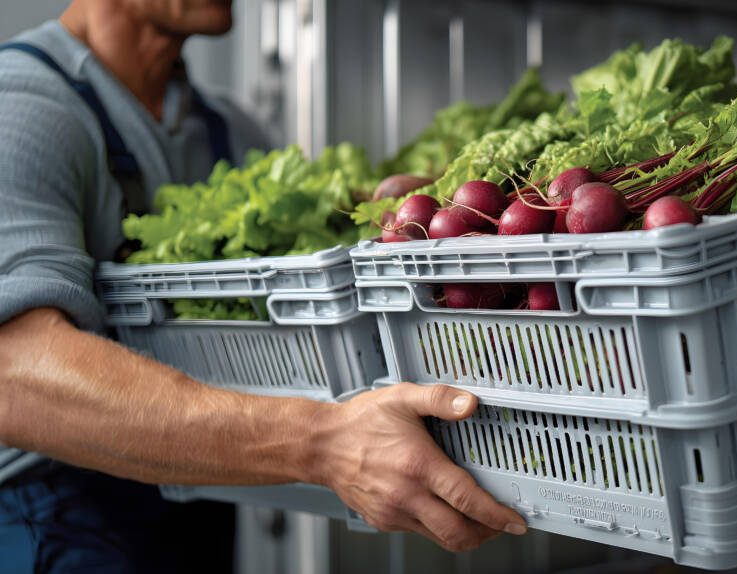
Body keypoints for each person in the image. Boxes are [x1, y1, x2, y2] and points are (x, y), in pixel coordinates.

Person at [0, 1, 526, 571]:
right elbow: (13, 373)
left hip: (192, 505)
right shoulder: (22, 106)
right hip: (45, 523)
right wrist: (322, 442)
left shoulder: (229, 130)